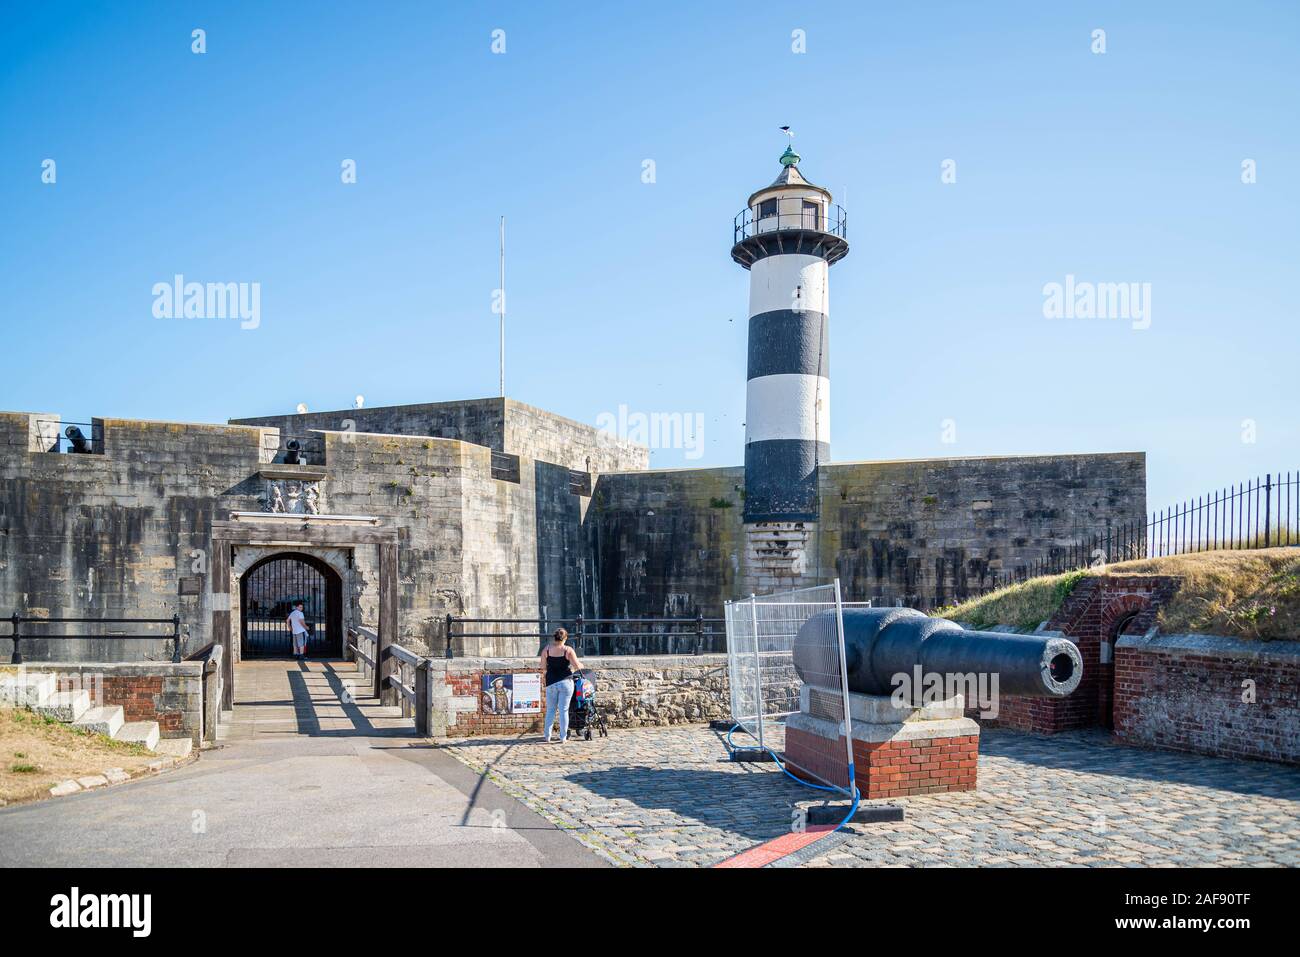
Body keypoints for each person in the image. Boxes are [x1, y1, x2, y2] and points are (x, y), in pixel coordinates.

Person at [539, 627, 582, 743]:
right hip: (566, 682)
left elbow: (543, 667)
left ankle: (547, 736)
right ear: (565, 638)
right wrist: (581, 665)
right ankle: (563, 737)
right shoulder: (568, 650)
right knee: (564, 710)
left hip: (551, 682)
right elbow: (577, 666)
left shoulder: (546, 650)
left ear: (554, 638)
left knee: (551, 710)